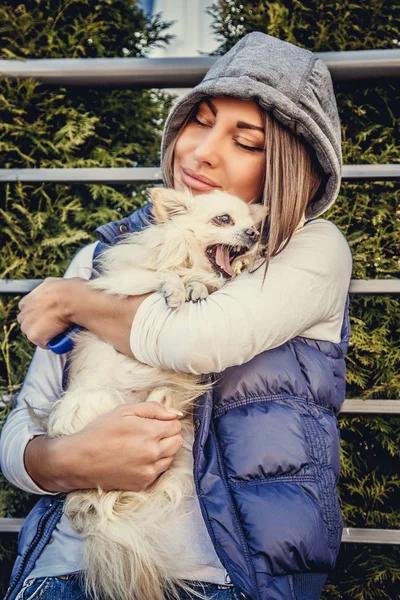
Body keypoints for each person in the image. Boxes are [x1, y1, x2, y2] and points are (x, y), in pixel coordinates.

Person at [0, 31, 352, 600]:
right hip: (67, 563)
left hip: (216, 578)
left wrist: (72, 300)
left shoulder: (312, 253)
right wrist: (64, 460)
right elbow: (23, 428)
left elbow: (193, 340)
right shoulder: (97, 257)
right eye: (199, 121)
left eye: (246, 140)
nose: (202, 152)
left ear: (287, 167)